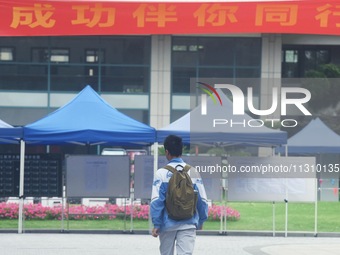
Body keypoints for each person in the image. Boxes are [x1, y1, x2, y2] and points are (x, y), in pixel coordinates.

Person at [150, 134, 208, 255]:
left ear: (167, 152)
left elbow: (156, 201)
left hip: (167, 225)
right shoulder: (193, 172)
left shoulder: (161, 173)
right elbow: (202, 199)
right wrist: (201, 220)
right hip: (188, 223)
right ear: (181, 151)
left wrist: (156, 223)